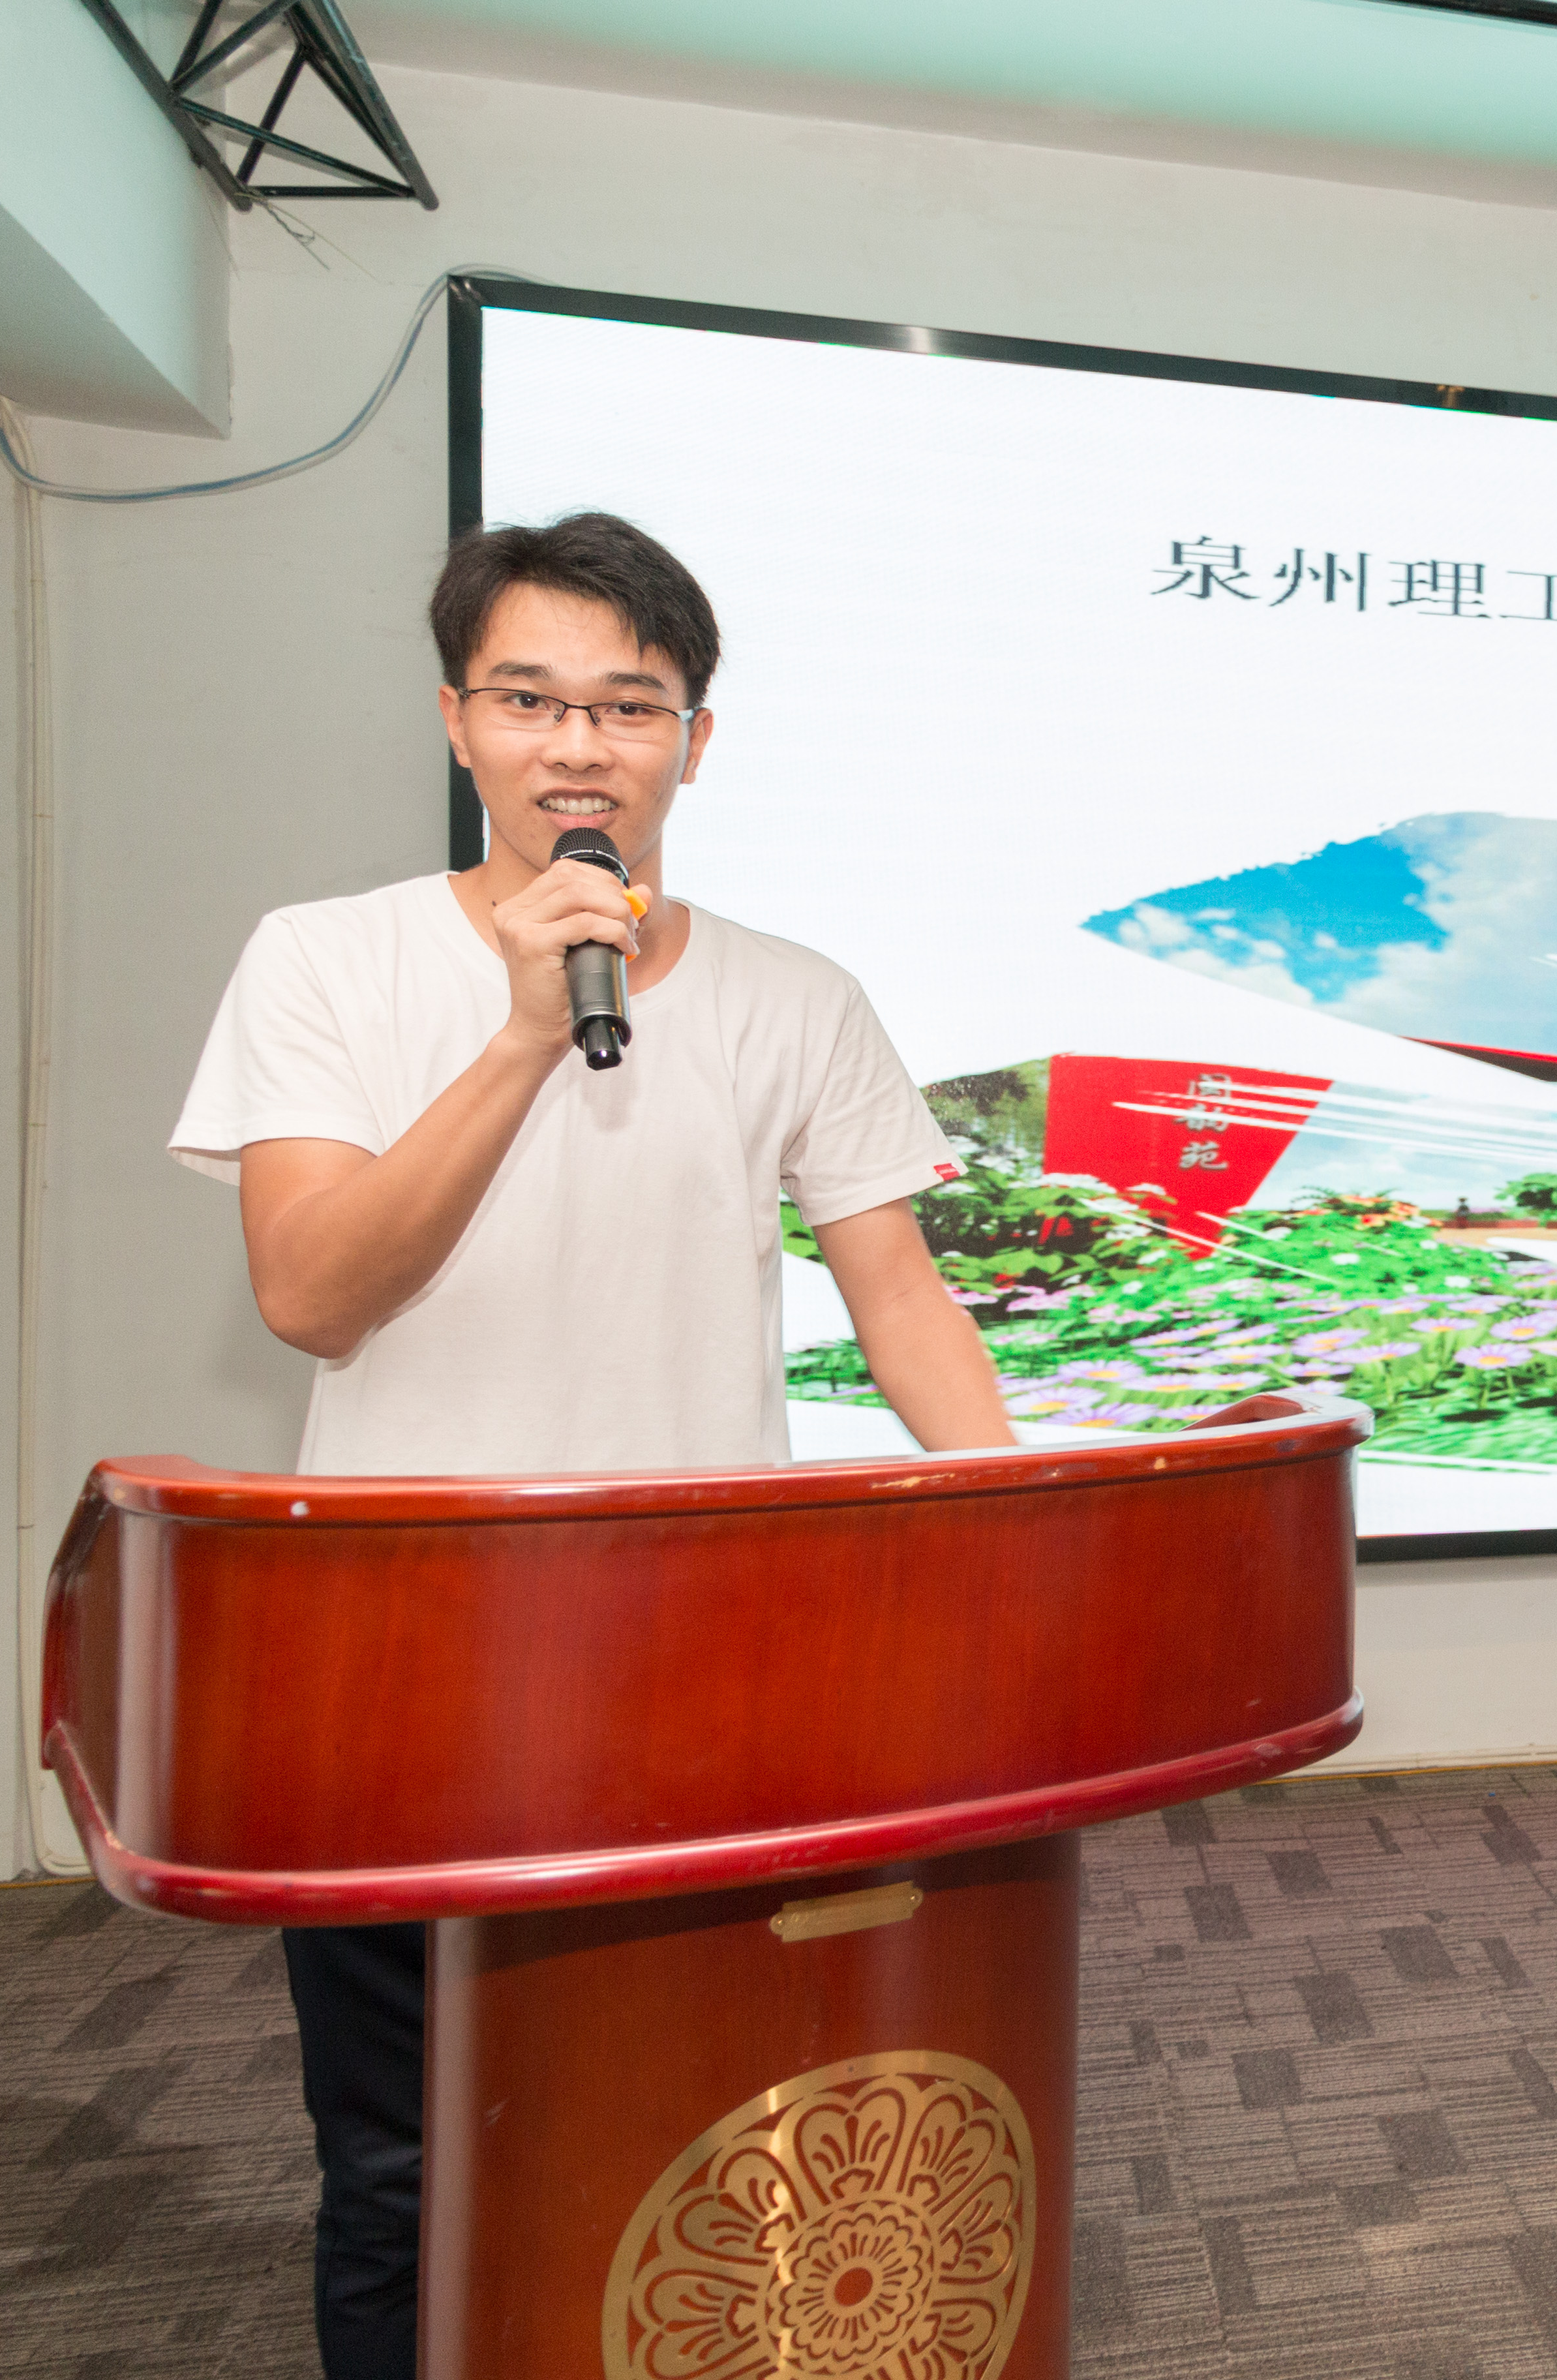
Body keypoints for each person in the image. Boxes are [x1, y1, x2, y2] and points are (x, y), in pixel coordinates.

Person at [164, 511, 1016, 2380]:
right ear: (456, 722)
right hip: (403, 1658)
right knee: (407, 2156)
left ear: (693, 742)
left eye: (629, 706)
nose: (579, 745)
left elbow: (900, 1296)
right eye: (530, 699)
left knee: (708, 2105)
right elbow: (311, 1294)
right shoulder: (326, 960)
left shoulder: (800, 994)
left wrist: (1020, 1531)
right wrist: (523, 1040)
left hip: (706, 1657)